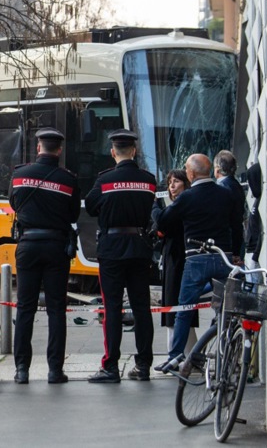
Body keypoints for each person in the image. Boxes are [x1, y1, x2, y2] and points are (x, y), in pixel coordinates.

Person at [152, 153, 243, 372]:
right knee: (224, 309)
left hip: (196, 258)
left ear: (191, 174)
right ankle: (225, 352)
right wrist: (236, 254)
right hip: (223, 257)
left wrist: (155, 208)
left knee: (184, 308)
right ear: (210, 171)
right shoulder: (225, 194)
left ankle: (176, 356)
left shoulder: (188, 197)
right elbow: (237, 226)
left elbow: (164, 221)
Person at [83, 129, 157, 383]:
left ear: (113, 152)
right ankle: (144, 365)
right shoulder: (148, 180)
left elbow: (91, 206)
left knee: (112, 308)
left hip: (112, 250)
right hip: (139, 248)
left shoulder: (104, 181)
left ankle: (111, 366)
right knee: (141, 307)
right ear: (134, 151)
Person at [9, 127, 80, 384]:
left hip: (27, 244)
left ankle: (21, 370)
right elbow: (73, 215)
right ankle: (54, 370)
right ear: (59, 150)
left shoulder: (20, 175)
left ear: (39, 148)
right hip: (56, 246)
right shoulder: (68, 179)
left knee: (25, 308)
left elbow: (13, 204)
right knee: (56, 309)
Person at [154, 169, 196, 351]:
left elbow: (161, 221)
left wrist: (154, 207)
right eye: (170, 182)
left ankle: (176, 352)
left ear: (186, 184)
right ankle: (190, 352)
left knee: (174, 304)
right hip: (176, 257)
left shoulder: (181, 204)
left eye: (176, 181)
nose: (172, 186)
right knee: (182, 306)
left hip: (178, 259)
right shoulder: (185, 203)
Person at [214, 150, 246, 253]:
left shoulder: (222, 187)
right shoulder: (236, 184)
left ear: (218, 170)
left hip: (227, 240)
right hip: (236, 237)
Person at [243, 162, 263, 262]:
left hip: (255, 253)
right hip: (252, 251)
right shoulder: (258, 200)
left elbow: (263, 231)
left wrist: (255, 256)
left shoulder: (261, 202)